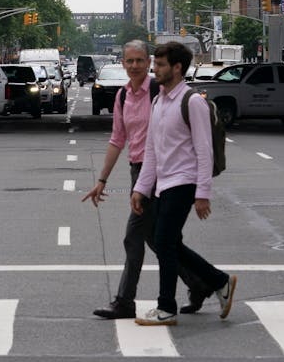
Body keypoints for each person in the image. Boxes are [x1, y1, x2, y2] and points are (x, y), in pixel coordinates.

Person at [82, 41, 204, 320]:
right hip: (140, 171)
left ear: (148, 62)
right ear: (122, 63)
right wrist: (102, 179)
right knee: (160, 239)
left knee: (134, 236)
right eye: (129, 61)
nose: (134, 66)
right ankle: (202, 282)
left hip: (163, 174)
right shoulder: (123, 97)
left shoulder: (158, 92)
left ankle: (125, 301)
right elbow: (117, 140)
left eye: (140, 60)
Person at [130, 41, 237, 326]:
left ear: (177, 68)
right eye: (156, 63)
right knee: (170, 243)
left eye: (161, 65)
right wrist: (141, 189)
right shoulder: (158, 101)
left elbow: (205, 151)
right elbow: (151, 151)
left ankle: (166, 307)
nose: (155, 69)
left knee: (164, 241)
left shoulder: (192, 102)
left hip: (184, 182)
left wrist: (203, 193)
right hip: (164, 183)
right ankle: (219, 281)